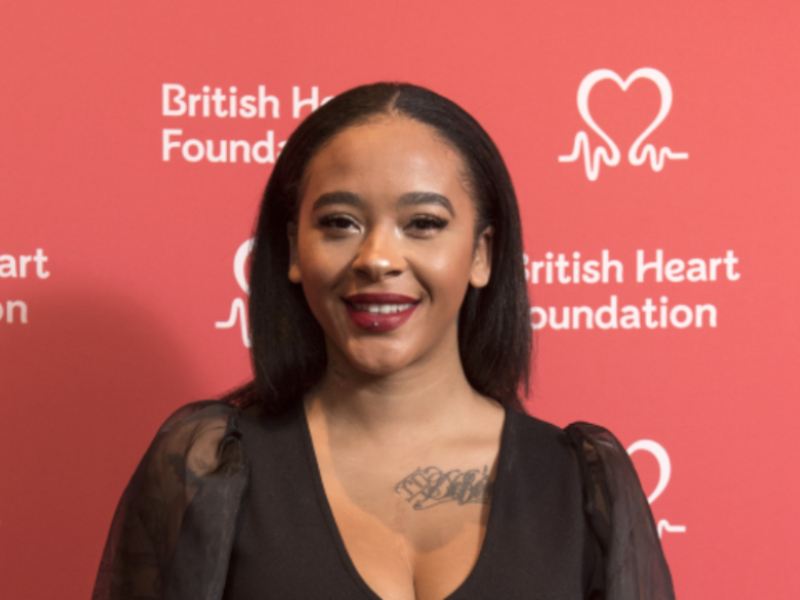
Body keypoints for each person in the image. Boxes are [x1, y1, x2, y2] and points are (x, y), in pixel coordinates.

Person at [92, 83, 674, 600]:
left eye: (423, 223)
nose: (376, 258)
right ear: (293, 249)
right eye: (339, 222)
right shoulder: (207, 471)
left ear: (481, 254)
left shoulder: (582, 485)